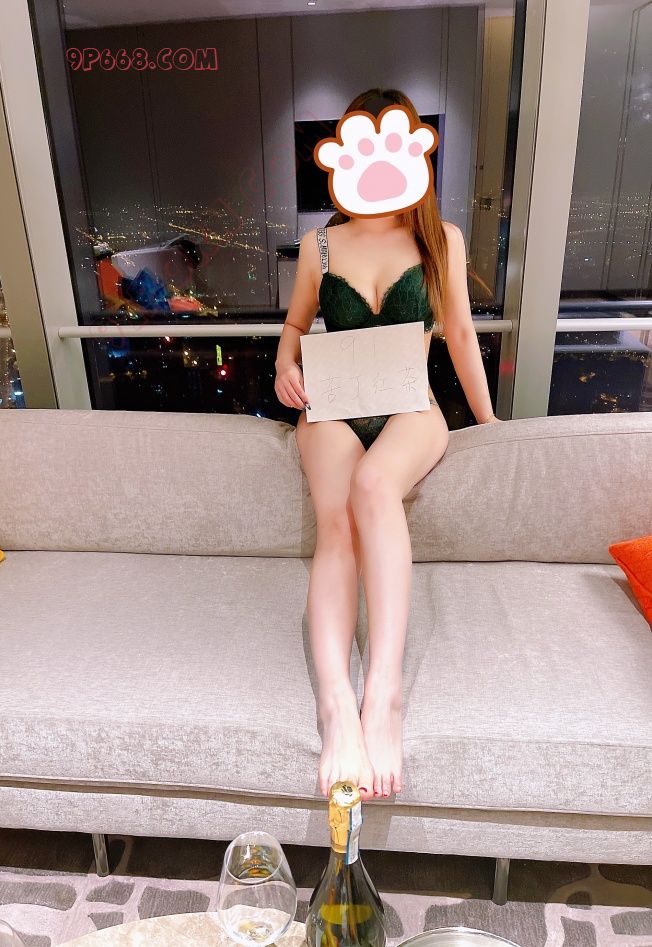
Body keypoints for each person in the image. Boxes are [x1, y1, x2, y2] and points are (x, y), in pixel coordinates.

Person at [274, 87, 501, 803]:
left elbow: (459, 335)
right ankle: (336, 704)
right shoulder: (320, 245)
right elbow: (295, 325)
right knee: (337, 522)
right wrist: (284, 365)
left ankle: (385, 696)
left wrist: (491, 424)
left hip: (411, 405)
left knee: (375, 487)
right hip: (333, 406)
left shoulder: (440, 239)